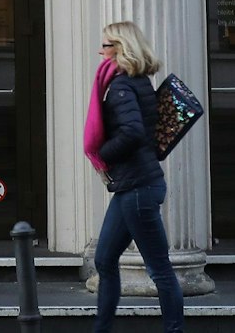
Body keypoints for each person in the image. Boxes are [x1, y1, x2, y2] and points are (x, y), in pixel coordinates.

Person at [83, 20, 184, 333]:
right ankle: (101, 329)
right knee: (104, 260)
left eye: (105, 45)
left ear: (120, 49)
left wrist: (102, 156)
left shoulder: (122, 86)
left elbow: (133, 133)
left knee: (159, 269)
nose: (100, 52)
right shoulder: (138, 81)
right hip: (134, 185)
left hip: (138, 187)